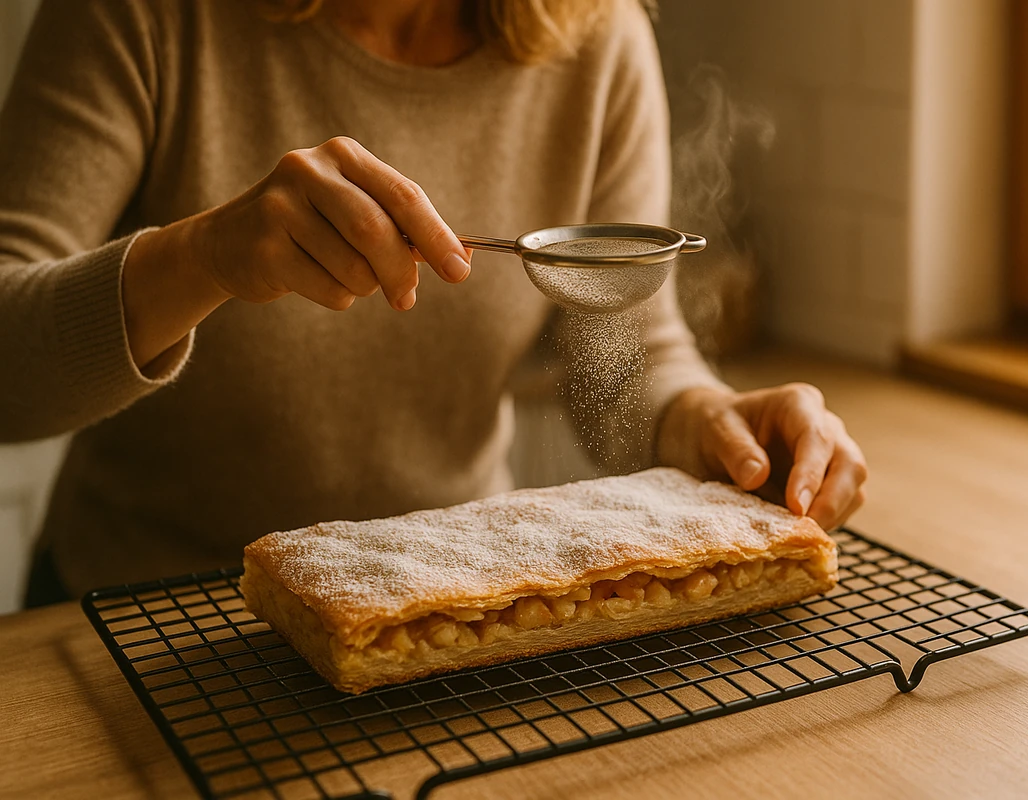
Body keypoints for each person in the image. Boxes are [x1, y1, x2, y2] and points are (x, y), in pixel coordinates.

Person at [0, 0, 867, 608]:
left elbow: (619, 366)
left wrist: (713, 420)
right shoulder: (141, 15)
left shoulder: (598, 38)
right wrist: (202, 257)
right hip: (137, 623)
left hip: (442, 615)